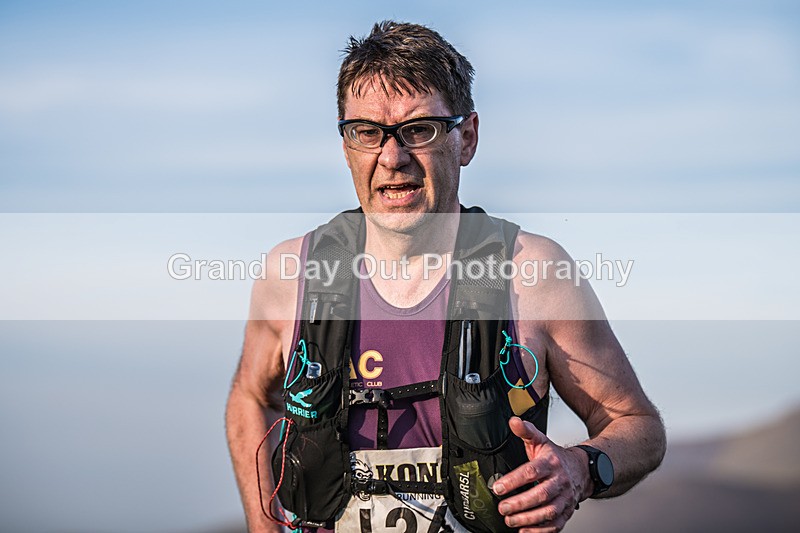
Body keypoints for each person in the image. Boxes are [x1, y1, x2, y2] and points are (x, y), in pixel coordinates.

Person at [226, 20, 666, 533]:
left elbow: (638, 428)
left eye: (419, 130)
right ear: (346, 145)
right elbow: (252, 398)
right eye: (368, 132)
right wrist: (263, 526)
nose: (392, 158)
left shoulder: (534, 275)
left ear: (467, 139)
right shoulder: (292, 274)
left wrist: (580, 469)